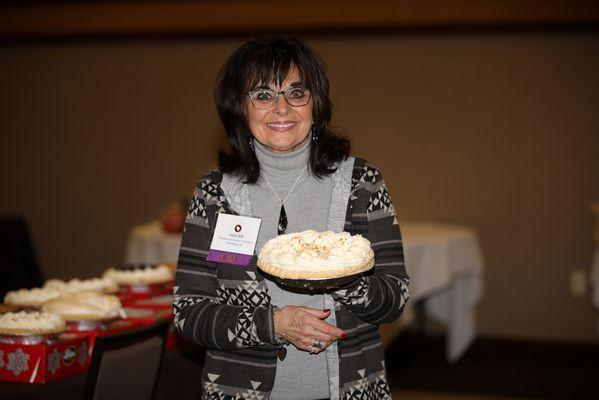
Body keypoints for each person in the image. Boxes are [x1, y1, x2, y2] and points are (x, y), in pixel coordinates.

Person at [173, 35, 409, 400]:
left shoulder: (361, 183)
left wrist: (341, 278)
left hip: (350, 390)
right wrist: (274, 325)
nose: (282, 108)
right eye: (263, 95)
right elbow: (189, 312)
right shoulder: (217, 193)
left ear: (315, 104)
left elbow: (395, 297)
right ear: (239, 106)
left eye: (297, 93)